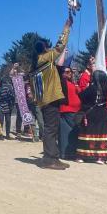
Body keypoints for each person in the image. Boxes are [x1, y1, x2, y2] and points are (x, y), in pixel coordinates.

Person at [31, 16, 73, 170]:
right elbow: (60, 46)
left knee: (50, 128)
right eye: (47, 46)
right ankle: (50, 159)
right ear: (44, 48)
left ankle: (52, 156)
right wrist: (66, 28)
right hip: (51, 98)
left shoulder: (35, 64)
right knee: (51, 128)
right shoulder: (46, 58)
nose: (50, 48)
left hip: (44, 100)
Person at [76, 70, 107, 164]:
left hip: (91, 114)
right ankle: (100, 157)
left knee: (87, 133)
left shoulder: (92, 88)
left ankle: (82, 156)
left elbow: (81, 96)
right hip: (102, 113)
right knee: (101, 134)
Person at [58, 65, 80, 161]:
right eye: (67, 72)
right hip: (66, 110)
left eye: (70, 71)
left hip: (75, 110)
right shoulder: (61, 83)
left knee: (71, 133)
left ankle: (68, 153)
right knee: (67, 133)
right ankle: (66, 153)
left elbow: (79, 91)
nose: (69, 73)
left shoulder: (72, 83)